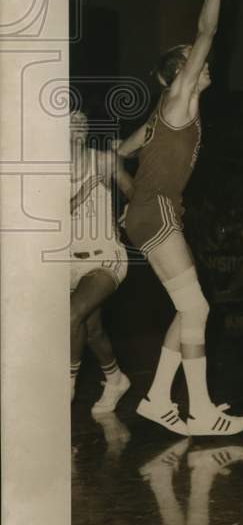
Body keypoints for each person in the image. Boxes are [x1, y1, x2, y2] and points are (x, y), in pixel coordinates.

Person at [120, 0, 243, 437]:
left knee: (186, 307)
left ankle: (156, 398)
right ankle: (200, 410)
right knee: (196, 306)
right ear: (183, 73)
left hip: (149, 211)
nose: (207, 66)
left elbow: (124, 148)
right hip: (156, 211)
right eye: (197, 66)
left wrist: (107, 159)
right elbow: (207, 32)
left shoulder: (162, 112)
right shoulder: (180, 98)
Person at [69, 109, 132, 413]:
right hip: (67, 263)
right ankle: (116, 378)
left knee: (71, 315)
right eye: (71, 121)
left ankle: (63, 393)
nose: (78, 124)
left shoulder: (104, 160)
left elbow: (133, 190)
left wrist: (132, 209)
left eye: (82, 120)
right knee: (91, 330)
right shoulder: (48, 171)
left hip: (106, 256)